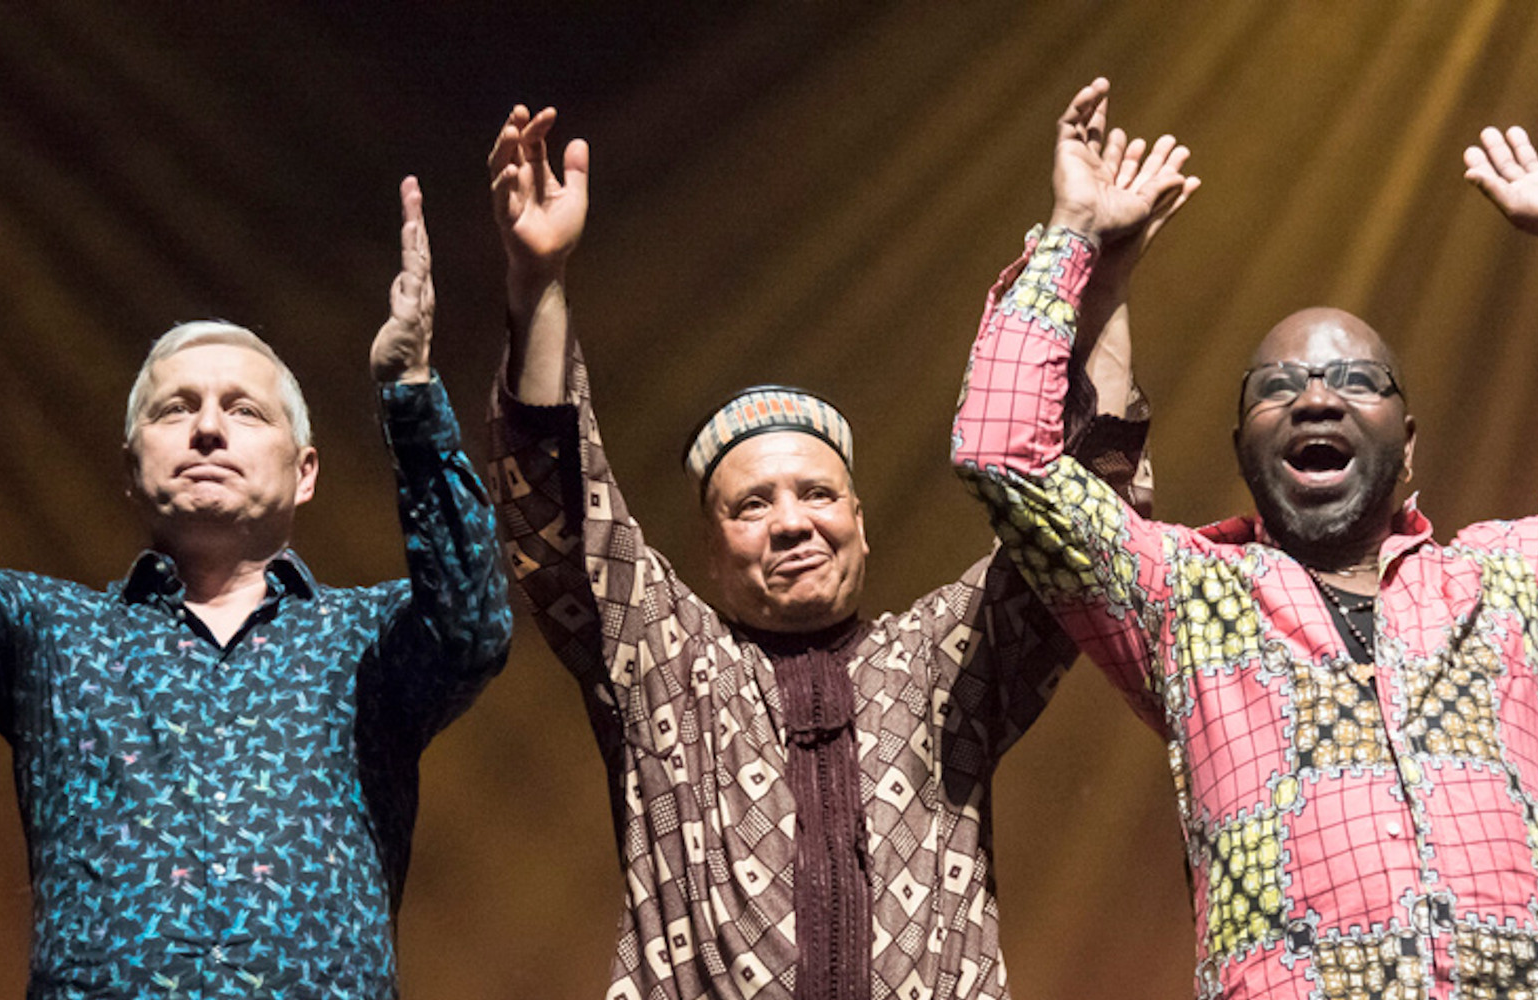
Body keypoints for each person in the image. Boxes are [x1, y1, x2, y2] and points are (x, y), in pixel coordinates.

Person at [953, 91, 1538, 999]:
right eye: (1278, 387)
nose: (1317, 400)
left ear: (1408, 445)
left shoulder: (1506, 586)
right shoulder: (1180, 598)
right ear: (1242, 450)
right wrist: (1073, 237)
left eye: (1356, 381)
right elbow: (999, 451)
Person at [482, 88, 1175, 1000]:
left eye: (816, 494)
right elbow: (562, 517)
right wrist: (539, 288)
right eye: (753, 506)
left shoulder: (940, 662)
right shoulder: (667, 659)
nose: (793, 521)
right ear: (710, 544)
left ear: (859, 517)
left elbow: (1085, 520)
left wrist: (1101, 271)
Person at [0, 100, 513, 998]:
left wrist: (411, 391)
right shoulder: (54, 636)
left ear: (306, 472)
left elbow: (473, 624)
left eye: (244, 410)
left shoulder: (370, 641)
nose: (205, 429)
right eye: (173, 408)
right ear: (130, 469)